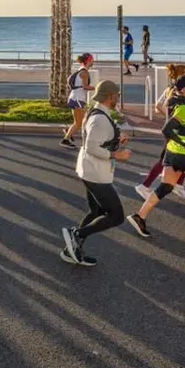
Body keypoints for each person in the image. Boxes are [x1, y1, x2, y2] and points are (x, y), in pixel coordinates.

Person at [127, 76, 185, 243]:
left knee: (166, 187)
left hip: (172, 153)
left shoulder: (179, 104)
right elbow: (166, 129)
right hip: (183, 155)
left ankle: (139, 216)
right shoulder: (184, 108)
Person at [61, 81, 130, 266]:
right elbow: (92, 147)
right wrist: (117, 154)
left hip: (89, 169)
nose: (118, 98)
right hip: (96, 174)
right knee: (116, 216)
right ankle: (76, 234)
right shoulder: (99, 119)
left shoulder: (98, 113)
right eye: (117, 95)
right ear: (110, 97)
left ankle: (71, 250)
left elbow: (98, 141)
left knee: (96, 211)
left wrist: (117, 140)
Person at [136, 64, 185, 201]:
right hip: (175, 131)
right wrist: (173, 116)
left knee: (184, 159)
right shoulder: (175, 91)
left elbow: (157, 106)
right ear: (181, 75)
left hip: (178, 129)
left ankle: (178, 185)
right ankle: (144, 186)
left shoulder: (171, 89)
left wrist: (168, 116)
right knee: (168, 160)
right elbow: (161, 106)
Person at [60, 53, 95, 149]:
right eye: (92, 60)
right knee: (79, 123)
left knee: (81, 121)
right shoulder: (84, 73)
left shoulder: (80, 70)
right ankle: (65, 140)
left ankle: (69, 132)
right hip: (77, 99)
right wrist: (97, 88)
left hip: (75, 98)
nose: (93, 61)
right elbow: (85, 87)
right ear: (88, 61)